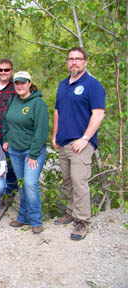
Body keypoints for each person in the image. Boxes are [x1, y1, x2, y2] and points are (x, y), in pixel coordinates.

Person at [52, 47, 105, 241]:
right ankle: (71, 211)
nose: (74, 62)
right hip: (64, 142)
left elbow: (98, 113)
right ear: (67, 62)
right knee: (68, 180)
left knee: (79, 181)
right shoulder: (63, 85)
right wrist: (55, 135)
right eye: (71, 59)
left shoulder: (92, 85)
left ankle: (82, 221)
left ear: (85, 62)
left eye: (78, 59)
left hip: (81, 143)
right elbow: (57, 111)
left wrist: (85, 138)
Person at [2, 71, 48, 234]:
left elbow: (41, 130)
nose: (20, 86)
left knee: (30, 183)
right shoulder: (13, 100)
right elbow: (6, 121)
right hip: (15, 150)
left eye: (23, 82)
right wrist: (6, 139)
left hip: (31, 152)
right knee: (22, 185)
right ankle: (23, 217)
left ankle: (36, 220)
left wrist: (34, 154)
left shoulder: (38, 104)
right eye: (17, 83)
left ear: (29, 83)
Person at [0, 59, 19, 204]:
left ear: (11, 71)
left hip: (10, 135)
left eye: (6, 70)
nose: (3, 73)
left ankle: (11, 192)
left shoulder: (16, 88)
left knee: (10, 164)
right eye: (0, 70)